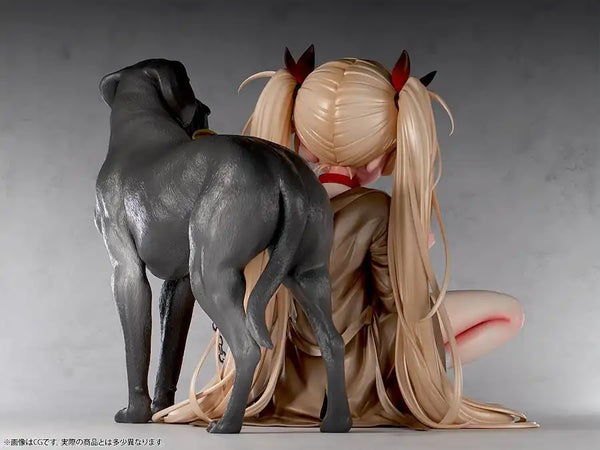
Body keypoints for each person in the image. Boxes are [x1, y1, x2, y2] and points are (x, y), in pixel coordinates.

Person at [153, 47, 536, 429]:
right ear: (382, 153)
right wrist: (411, 255)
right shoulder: (376, 210)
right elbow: (395, 304)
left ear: (302, 140)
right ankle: (405, 386)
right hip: (357, 380)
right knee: (507, 314)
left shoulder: (265, 198)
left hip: (277, 379)